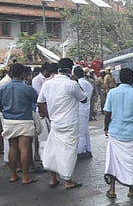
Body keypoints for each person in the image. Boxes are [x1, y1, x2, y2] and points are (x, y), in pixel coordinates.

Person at [37, 58, 87, 189]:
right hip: (70, 123)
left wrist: (49, 117)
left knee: (53, 149)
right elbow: (84, 98)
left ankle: (53, 179)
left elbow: (40, 102)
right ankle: (68, 180)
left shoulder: (48, 84)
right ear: (70, 69)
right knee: (68, 151)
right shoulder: (72, 84)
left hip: (55, 122)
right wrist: (76, 81)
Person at [104, 67, 133, 199]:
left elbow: (108, 113)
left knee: (113, 161)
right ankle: (131, 189)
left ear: (119, 79)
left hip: (115, 132)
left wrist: (106, 128)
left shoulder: (112, 93)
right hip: (131, 134)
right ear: (132, 79)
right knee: (131, 161)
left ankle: (112, 190)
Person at [0, 63, 38, 184]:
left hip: (9, 121)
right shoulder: (27, 88)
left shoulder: (2, 88)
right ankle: (26, 176)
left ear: (10, 73)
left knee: (12, 147)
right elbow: (35, 101)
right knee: (24, 148)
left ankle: (13, 174)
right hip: (25, 120)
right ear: (23, 74)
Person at [74, 67, 94, 159]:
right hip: (86, 109)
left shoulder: (79, 84)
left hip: (80, 109)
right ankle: (88, 149)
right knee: (85, 131)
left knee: (81, 133)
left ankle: (80, 152)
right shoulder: (87, 83)